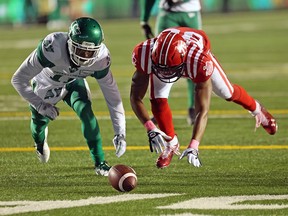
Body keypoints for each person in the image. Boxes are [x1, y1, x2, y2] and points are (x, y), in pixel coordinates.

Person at [130, 27, 278, 169]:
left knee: (227, 92)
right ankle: (171, 144)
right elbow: (135, 97)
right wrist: (150, 127)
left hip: (194, 54)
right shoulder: (144, 53)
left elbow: (202, 110)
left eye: (169, 70)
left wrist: (194, 145)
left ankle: (257, 109)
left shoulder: (199, 61)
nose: (165, 74)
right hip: (169, 59)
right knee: (158, 101)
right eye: (161, 69)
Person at [11, 17, 127, 176]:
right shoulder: (53, 47)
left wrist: (120, 132)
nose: (85, 56)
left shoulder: (101, 58)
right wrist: (40, 105)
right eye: (81, 50)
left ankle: (100, 162)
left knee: (87, 113)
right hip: (47, 84)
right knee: (39, 126)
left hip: (73, 82)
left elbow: (113, 98)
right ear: (70, 43)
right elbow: (18, 79)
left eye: (90, 52)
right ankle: (39, 143)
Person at [140, 0, 202, 125]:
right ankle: (159, 110)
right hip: (167, 14)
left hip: (190, 13)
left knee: (192, 62)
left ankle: (193, 107)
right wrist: (144, 19)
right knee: (159, 62)